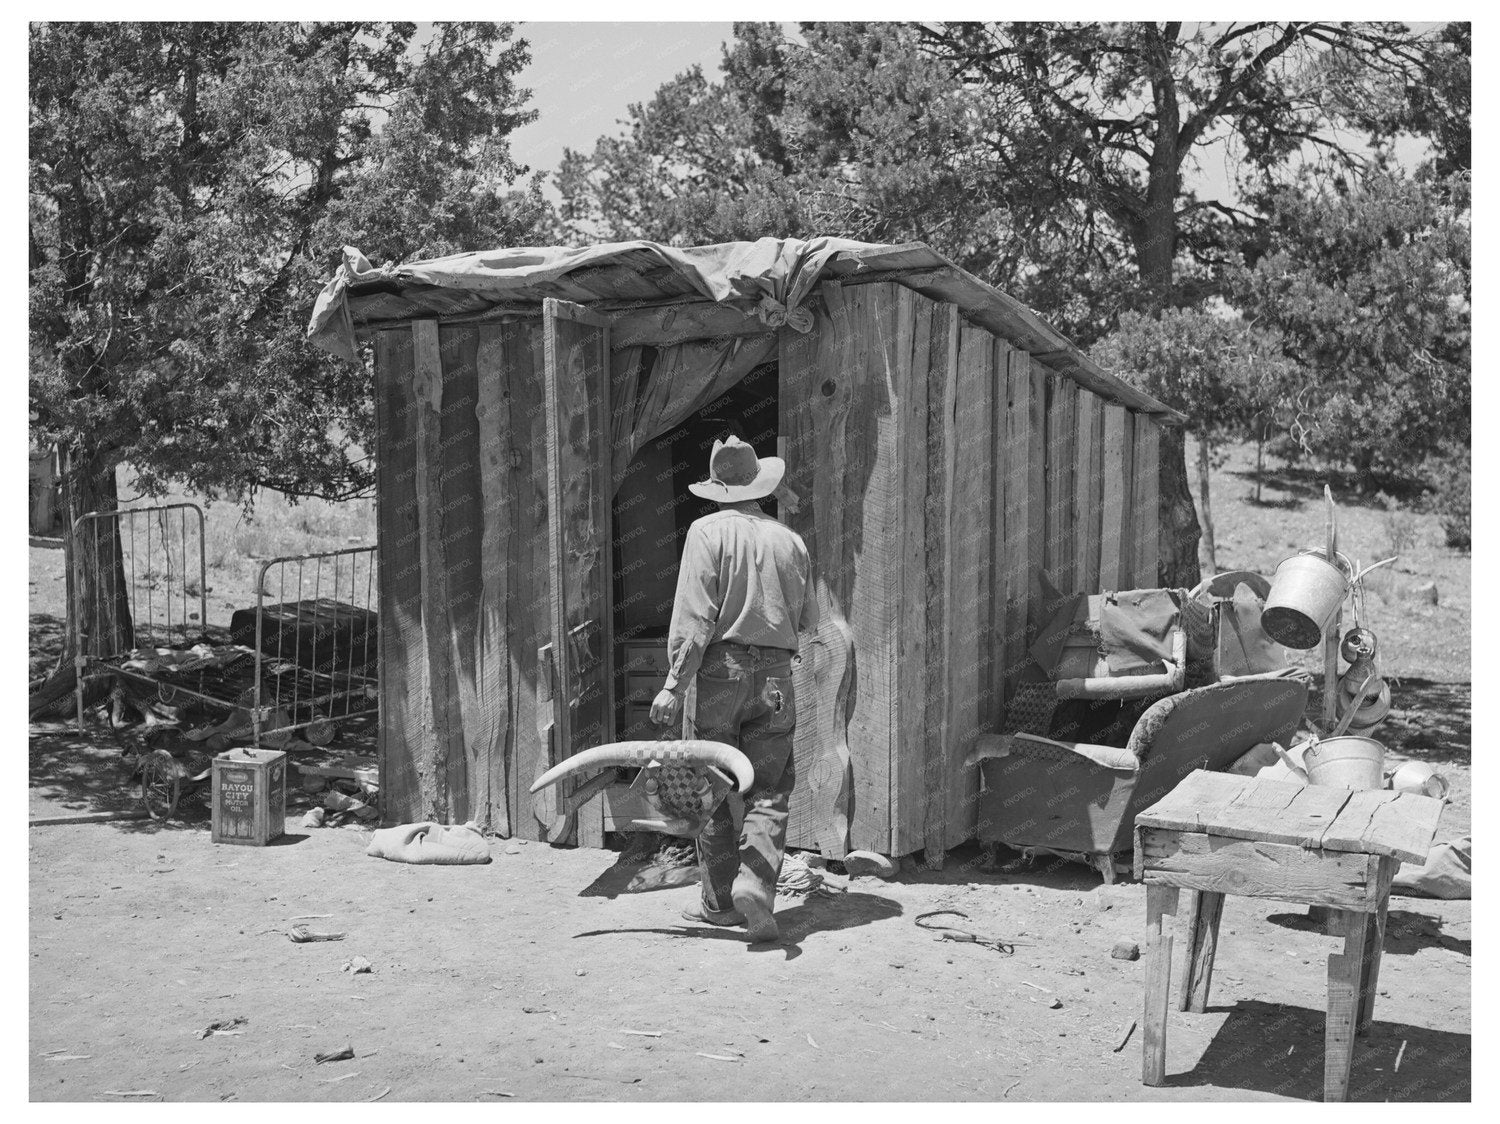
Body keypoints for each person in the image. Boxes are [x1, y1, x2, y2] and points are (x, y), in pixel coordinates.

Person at [649, 435, 818, 943]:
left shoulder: (706, 531)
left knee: (716, 787)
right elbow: (807, 620)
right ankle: (757, 887)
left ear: (717, 487)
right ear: (758, 485)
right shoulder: (790, 541)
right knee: (770, 788)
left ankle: (720, 903)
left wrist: (673, 685)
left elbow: (696, 616)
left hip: (721, 672)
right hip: (776, 678)